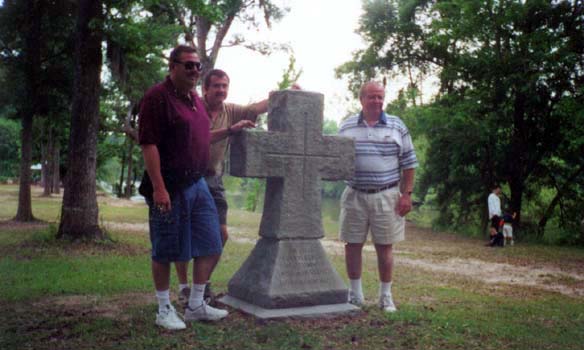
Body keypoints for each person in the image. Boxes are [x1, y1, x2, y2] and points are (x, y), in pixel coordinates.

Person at [174, 69, 300, 306]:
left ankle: (203, 284)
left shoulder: (230, 110)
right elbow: (201, 138)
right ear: (205, 89)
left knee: (220, 235)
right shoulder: (193, 108)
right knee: (185, 234)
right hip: (187, 177)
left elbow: (259, 107)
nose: (221, 90)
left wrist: (285, 94)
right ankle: (183, 287)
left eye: (225, 86)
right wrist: (232, 129)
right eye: (216, 86)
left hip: (213, 180)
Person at [138, 45, 228, 330]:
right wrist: (159, 188)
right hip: (170, 185)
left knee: (213, 243)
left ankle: (196, 305)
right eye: (188, 65)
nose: (194, 70)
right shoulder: (157, 98)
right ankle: (164, 309)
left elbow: (202, 137)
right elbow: (148, 144)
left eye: (197, 66)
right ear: (172, 66)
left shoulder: (194, 99)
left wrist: (231, 130)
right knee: (165, 249)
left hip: (198, 183)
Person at [338, 81, 418, 313]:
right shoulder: (346, 127)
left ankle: (385, 297)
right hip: (354, 194)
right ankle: (355, 294)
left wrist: (407, 194)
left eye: (380, 97)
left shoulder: (397, 126)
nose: (377, 101)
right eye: (372, 97)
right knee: (352, 245)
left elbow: (410, 163)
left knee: (385, 247)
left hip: (387, 195)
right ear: (361, 99)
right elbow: (336, 158)